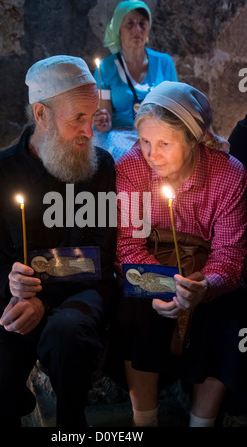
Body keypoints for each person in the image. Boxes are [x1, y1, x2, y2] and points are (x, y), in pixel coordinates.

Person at [0, 55, 117, 427]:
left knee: (68, 334)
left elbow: (102, 256)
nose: (90, 131)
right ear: (41, 114)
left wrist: (41, 297)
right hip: (16, 303)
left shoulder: (101, 167)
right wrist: (8, 281)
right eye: (78, 118)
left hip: (80, 297)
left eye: (92, 117)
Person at [113, 81, 247, 427]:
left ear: (193, 141)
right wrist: (160, 285)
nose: (150, 154)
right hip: (151, 266)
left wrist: (205, 286)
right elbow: (128, 245)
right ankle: (145, 420)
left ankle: (201, 421)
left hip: (203, 275)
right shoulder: (131, 168)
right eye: (144, 141)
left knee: (230, 310)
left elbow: (230, 253)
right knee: (135, 303)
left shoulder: (228, 174)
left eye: (164, 143)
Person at [93, 0, 178, 160]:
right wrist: (103, 122)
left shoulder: (164, 63)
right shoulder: (106, 68)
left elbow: (175, 108)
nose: (137, 30)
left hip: (157, 135)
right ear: (118, 29)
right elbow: (106, 118)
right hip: (121, 137)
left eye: (142, 24)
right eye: (130, 24)